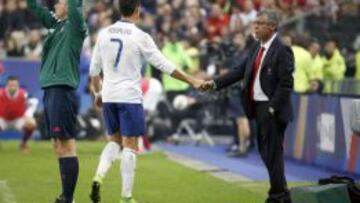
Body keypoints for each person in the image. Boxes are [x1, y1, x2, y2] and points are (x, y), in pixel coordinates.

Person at [88, 0, 203, 203]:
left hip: (109, 96)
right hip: (129, 97)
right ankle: (126, 197)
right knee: (130, 145)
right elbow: (164, 64)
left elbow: (94, 72)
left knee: (113, 141)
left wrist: (98, 94)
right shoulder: (140, 36)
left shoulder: (104, 33)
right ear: (137, 10)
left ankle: (98, 176)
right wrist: (191, 79)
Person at [200, 9, 294, 203]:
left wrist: (272, 107)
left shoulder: (281, 48)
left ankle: (277, 196)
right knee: (265, 151)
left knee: (273, 152)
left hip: (272, 109)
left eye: (260, 23)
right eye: (254, 23)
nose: (255, 26)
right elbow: (238, 71)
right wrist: (214, 83)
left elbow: (286, 84)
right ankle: (281, 191)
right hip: (257, 106)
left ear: (272, 27)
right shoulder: (256, 47)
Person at [26, 0, 86, 201]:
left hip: (62, 89)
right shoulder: (56, 25)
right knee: (57, 145)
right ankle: (65, 196)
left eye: (59, 3)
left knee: (67, 144)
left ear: (68, 7)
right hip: (51, 90)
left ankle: (68, 198)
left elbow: (76, 7)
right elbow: (35, 8)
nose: (54, 7)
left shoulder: (75, 26)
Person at [0, 76, 38, 154]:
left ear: (18, 86)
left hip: (18, 119)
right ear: (7, 85)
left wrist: (28, 114)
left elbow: (34, 101)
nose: (12, 87)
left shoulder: (23, 94)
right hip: (3, 119)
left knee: (32, 123)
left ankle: (23, 144)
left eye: (14, 85)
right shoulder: (1, 93)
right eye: (10, 85)